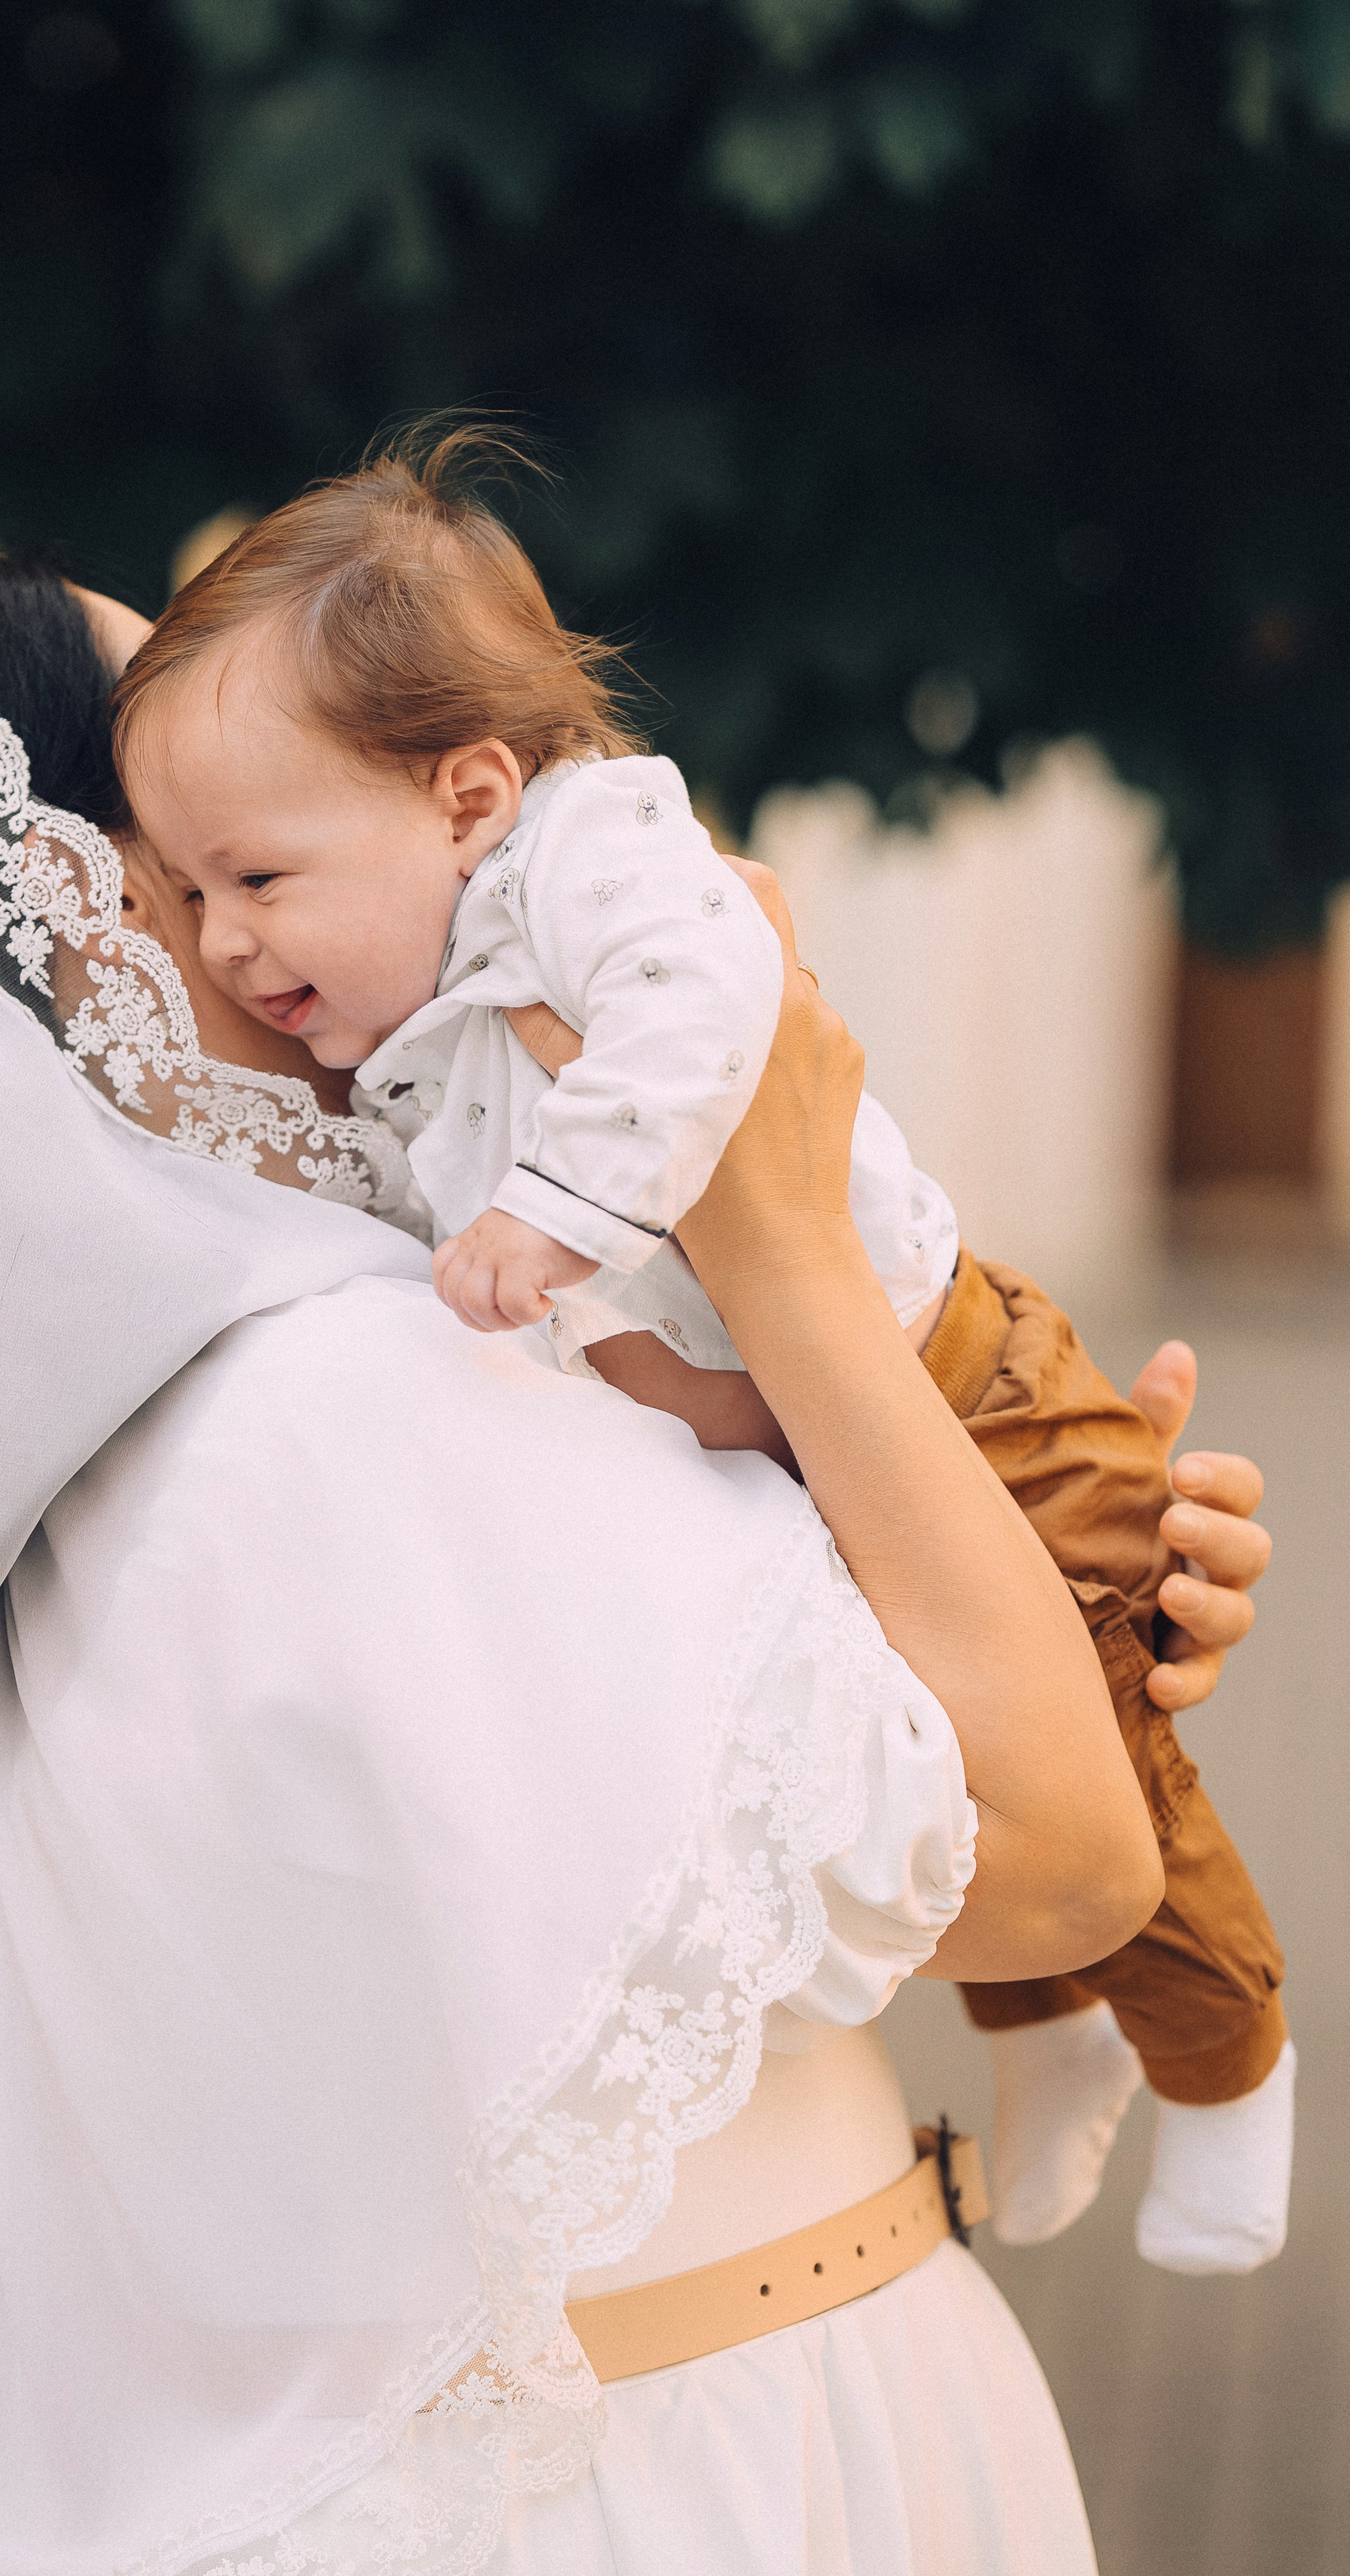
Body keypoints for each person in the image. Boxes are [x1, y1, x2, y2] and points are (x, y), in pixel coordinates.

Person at [0, 564, 1267, 2576]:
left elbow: (817, 1809)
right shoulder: (355, 1403)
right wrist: (781, 1230)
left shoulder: (124, 1445)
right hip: (704, 2480)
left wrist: (1060, 1586)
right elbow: (1053, 1855)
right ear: (95, 916)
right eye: (197, 815)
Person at [109, 430, 1290, 2274]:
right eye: (181, 900)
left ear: (468, 790)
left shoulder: (589, 856)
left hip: (947, 1377)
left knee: (1117, 1754)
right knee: (945, 1736)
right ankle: (1055, 2031)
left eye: (252, 874)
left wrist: (562, 1214)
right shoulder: (410, 1012)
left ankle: (1232, 2066)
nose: (224, 936)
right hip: (811, 1428)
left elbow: (715, 1001)